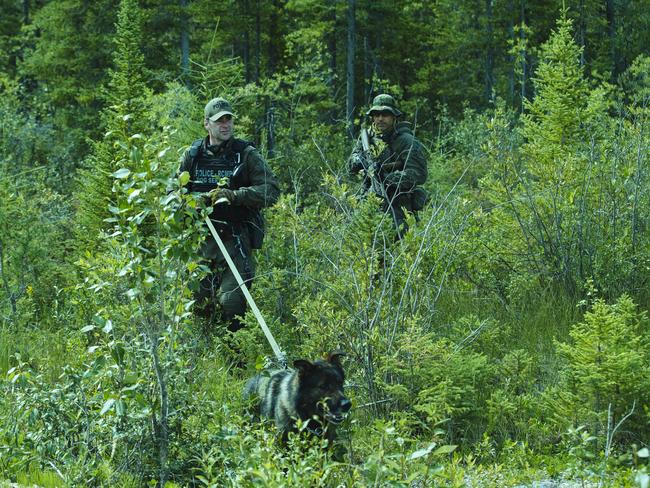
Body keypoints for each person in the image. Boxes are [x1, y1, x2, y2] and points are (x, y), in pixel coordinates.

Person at [179, 97, 280, 333]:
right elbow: (174, 192)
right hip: (201, 241)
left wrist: (235, 195)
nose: (225, 125)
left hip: (236, 241)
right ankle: (206, 360)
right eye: (218, 121)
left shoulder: (246, 154)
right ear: (206, 124)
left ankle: (237, 359)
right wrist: (191, 202)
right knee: (198, 304)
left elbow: (271, 191)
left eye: (228, 119)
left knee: (232, 303)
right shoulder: (192, 155)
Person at [348, 94, 428, 238]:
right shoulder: (366, 138)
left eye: (385, 114)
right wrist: (358, 161)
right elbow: (350, 166)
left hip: (398, 207)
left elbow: (418, 174)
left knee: (398, 251)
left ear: (394, 116)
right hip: (368, 205)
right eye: (376, 114)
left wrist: (387, 178)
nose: (380, 118)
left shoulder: (406, 141)